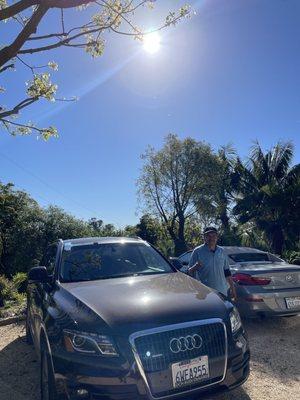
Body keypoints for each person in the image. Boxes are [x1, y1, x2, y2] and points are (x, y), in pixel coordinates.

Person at [185, 227, 237, 301]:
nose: (211, 238)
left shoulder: (222, 251)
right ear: (204, 237)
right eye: (208, 236)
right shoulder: (197, 251)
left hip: (222, 291)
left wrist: (232, 288)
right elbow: (188, 272)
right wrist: (195, 267)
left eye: (213, 236)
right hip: (205, 292)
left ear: (217, 237)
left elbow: (227, 272)